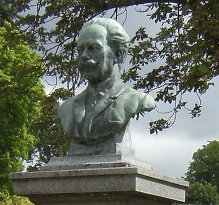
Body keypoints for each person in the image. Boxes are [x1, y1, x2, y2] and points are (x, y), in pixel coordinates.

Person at [57, 16, 155, 155]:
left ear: (118, 55)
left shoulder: (136, 100)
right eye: (80, 49)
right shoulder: (66, 108)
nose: (84, 55)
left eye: (93, 48)